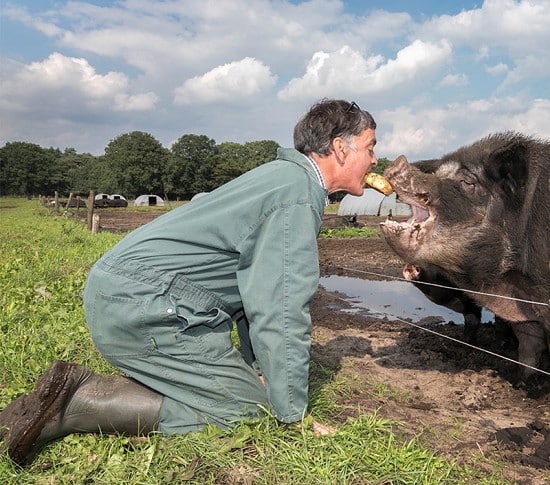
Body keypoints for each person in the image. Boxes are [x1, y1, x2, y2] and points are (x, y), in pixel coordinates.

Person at [0, 98, 378, 466]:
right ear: (340, 148)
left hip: (132, 296)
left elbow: (253, 295)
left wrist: (259, 369)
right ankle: (78, 405)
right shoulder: (296, 198)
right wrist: (292, 412)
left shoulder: (282, 179)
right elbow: (279, 309)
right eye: (371, 147)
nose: (375, 160)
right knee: (251, 410)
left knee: (251, 390)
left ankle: (105, 393)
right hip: (145, 305)